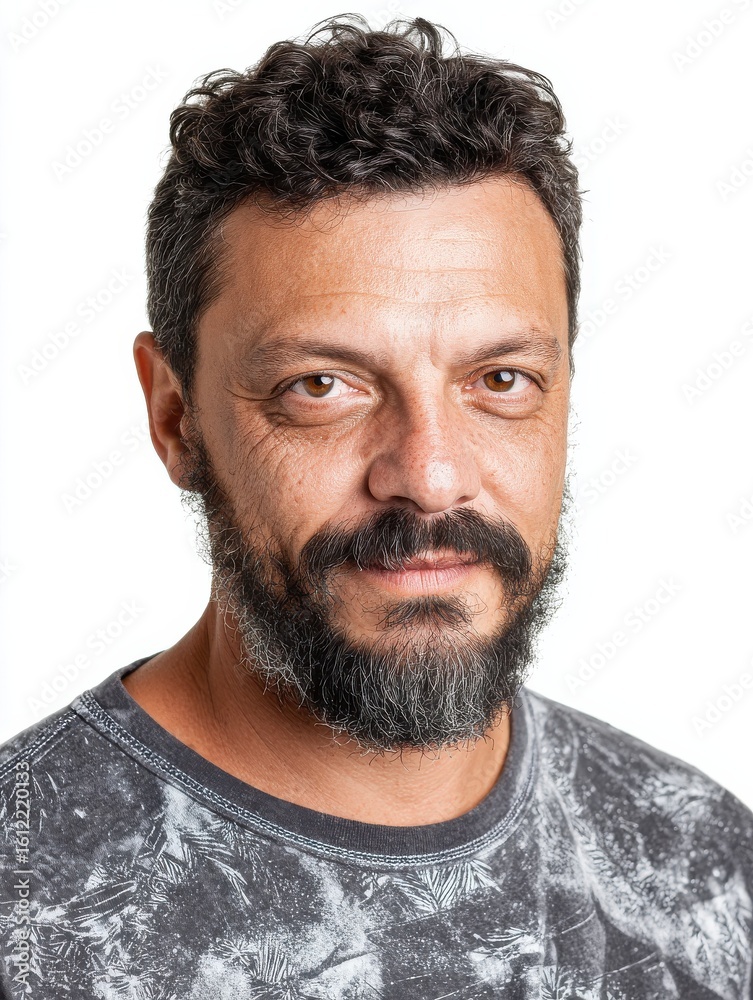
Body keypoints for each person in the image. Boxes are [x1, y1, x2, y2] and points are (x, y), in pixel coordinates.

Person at [1, 13, 751, 999]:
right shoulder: (28, 903)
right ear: (175, 415)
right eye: (322, 386)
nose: (431, 476)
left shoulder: (704, 868)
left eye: (501, 379)